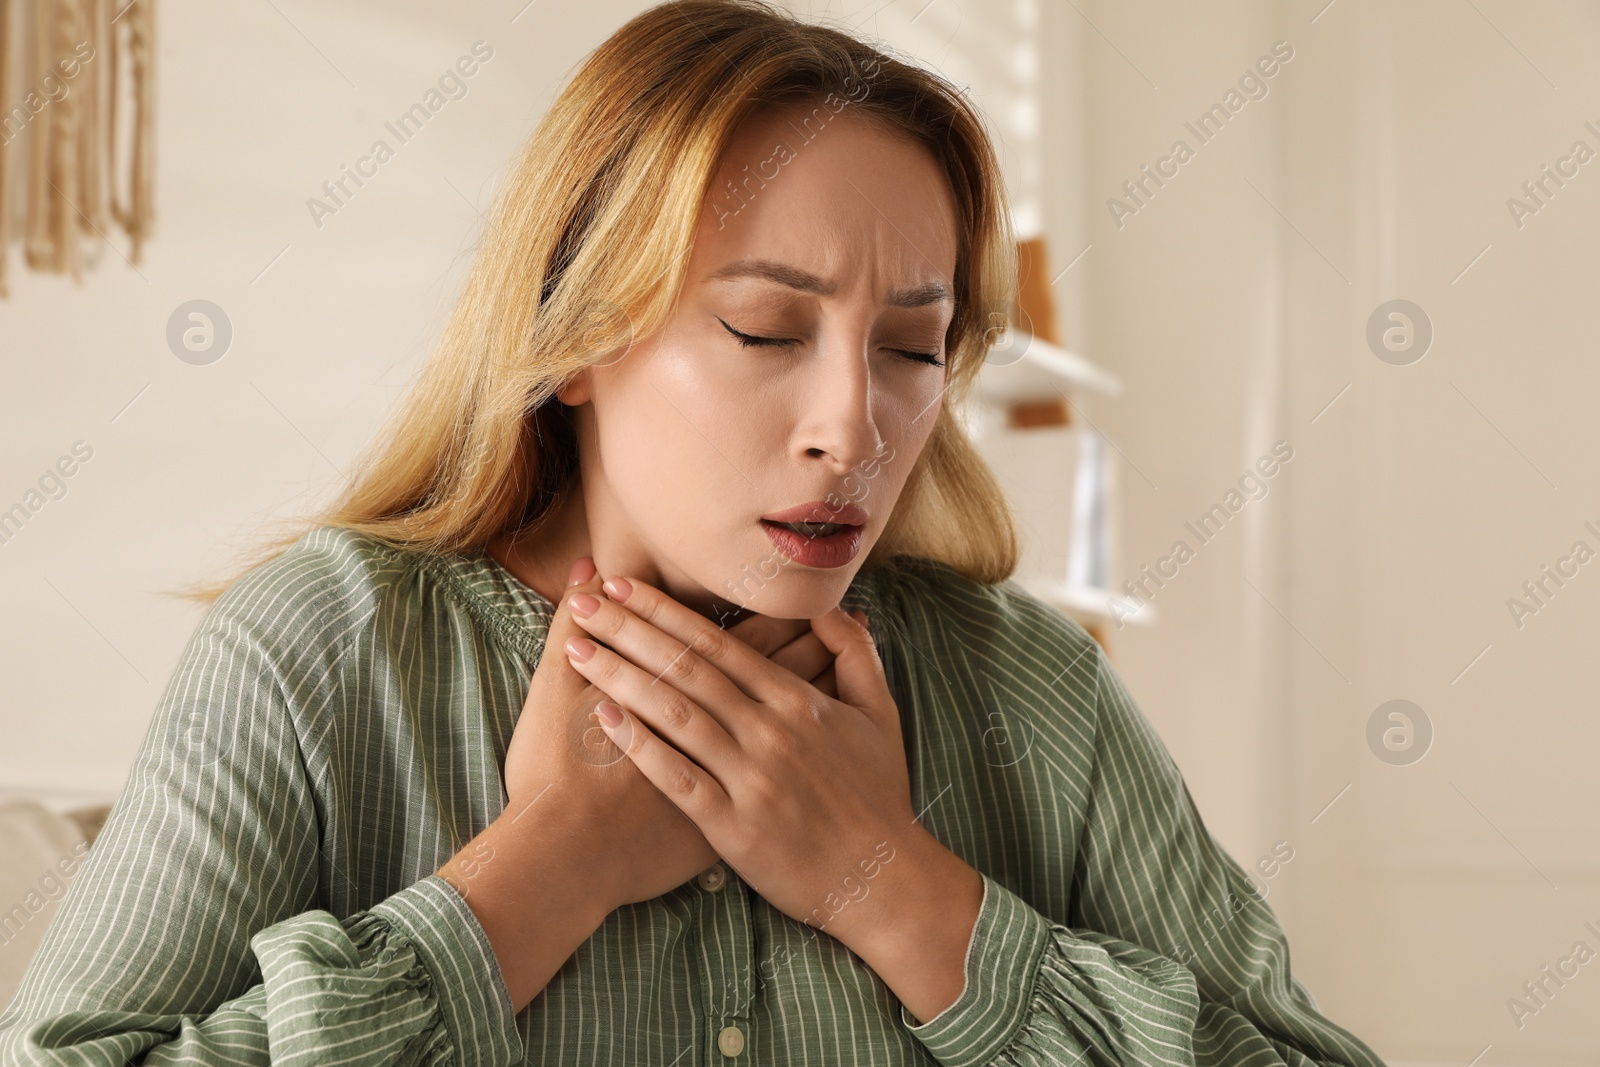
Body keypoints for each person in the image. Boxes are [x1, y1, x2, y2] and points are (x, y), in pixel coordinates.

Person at [0, 1, 1389, 1064]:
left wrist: (890, 885)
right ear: (574, 339)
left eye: (913, 348)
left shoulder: (1033, 692)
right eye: (765, 328)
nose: (854, 426)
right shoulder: (323, 652)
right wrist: (545, 873)